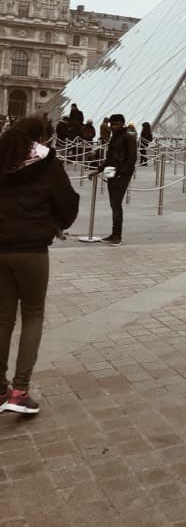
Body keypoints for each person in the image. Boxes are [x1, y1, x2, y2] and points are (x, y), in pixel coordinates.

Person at [0, 116, 79, 415]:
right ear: (41, 138)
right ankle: (20, 391)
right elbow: (68, 202)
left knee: (2, 318)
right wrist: (57, 223)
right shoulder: (47, 164)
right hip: (32, 251)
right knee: (32, 315)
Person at [89, 114, 137, 247]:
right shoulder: (114, 137)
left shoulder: (128, 137)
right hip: (113, 173)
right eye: (111, 124)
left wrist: (122, 173)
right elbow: (109, 157)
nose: (112, 127)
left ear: (122, 124)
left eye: (115, 124)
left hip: (121, 175)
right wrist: (98, 170)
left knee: (116, 205)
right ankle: (114, 234)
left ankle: (117, 236)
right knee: (114, 205)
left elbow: (132, 158)